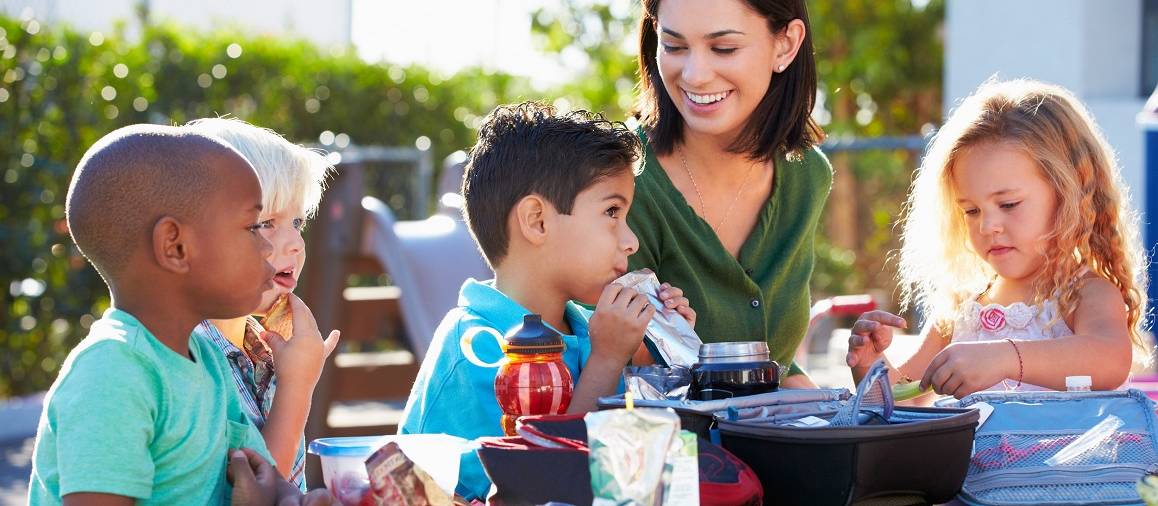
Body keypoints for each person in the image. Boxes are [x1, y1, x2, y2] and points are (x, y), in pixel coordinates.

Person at [398, 102, 696, 500]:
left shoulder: (589, 330)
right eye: (612, 212)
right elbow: (541, 481)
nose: (631, 241)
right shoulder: (477, 346)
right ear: (537, 221)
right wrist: (607, 360)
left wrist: (649, 353)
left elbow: (630, 466)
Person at [27, 125, 329, 505]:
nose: (290, 244)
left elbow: (264, 478)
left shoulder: (206, 366)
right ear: (177, 247)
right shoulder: (111, 373)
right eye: (255, 228)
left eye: (297, 224)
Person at [845, 79, 1147, 400]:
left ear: (1068, 194)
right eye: (972, 210)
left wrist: (1005, 358)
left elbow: (1109, 359)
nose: (988, 226)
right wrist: (870, 365)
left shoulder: (1083, 293)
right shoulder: (962, 304)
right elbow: (906, 394)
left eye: (1008, 204)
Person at [627, 0, 831, 387]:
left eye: (723, 48)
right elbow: (602, 358)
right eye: (674, 46)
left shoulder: (807, 176)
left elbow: (777, 364)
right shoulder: (618, 178)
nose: (695, 74)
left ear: (785, 45)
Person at [185, 118, 339, 491]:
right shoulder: (189, 358)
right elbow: (262, 491)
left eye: (298, 222)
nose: (295, 244)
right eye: (267, 222)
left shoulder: (262, 347)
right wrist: (297, 386)